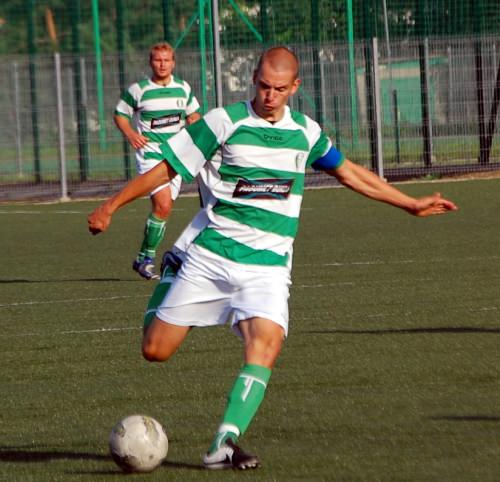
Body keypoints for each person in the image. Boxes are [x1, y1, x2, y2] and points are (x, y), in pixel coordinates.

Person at [89, 46, 458, 470]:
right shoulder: (223, 122)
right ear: (254, 82)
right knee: (154, 350)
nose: (270, 95)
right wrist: (111, 206)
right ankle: (170, 274)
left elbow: (350, 172)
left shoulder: (306, 133)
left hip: (266, 267)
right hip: (211, 257)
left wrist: (408, 203)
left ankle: (224, 443)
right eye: (263, 86)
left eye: (279, 89)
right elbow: (166, 169)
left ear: (294, 87)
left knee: (267, 342)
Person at [114, 41, 202, 280]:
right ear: (151, 63)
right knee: (162, 204)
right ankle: (148, 259)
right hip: (151, 154)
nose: (162, 64)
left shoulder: (183, 88)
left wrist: (194, 120)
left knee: (163, 209)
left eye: (166, 60)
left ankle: (143, 256)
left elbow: (194, 113)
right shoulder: (139, 90)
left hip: (176, 155)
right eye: (157, 60)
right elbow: (120, 114)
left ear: (173, 63)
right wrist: (131, 134)